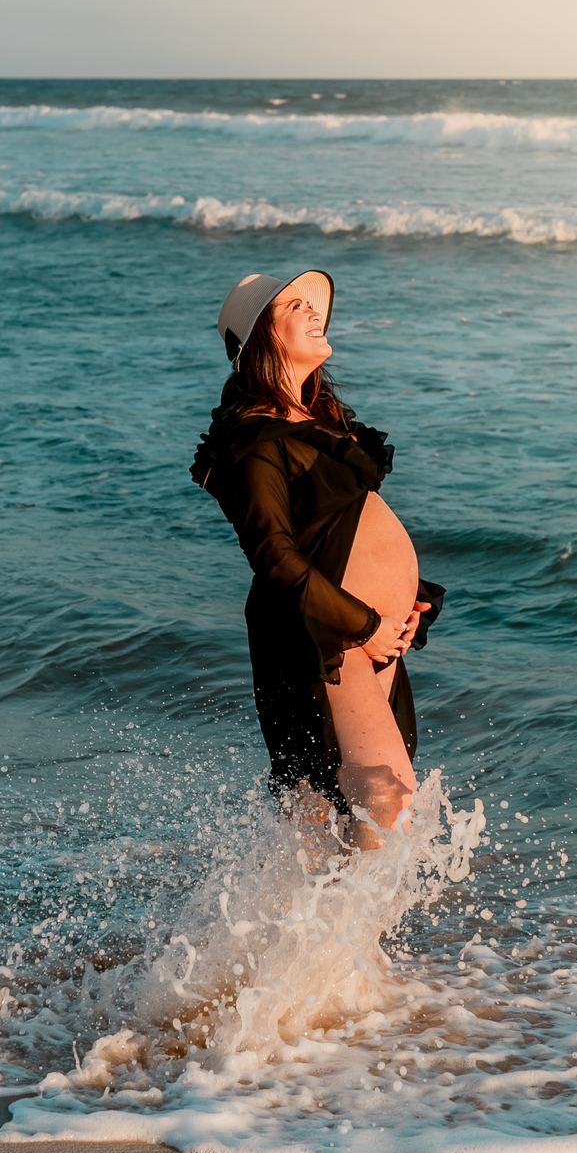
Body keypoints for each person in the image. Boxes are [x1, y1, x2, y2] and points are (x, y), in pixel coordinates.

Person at [190, 268, 444, 849]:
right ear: (261, 340)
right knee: (386, 799)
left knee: (335, 814)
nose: (315, 313)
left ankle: (322, 938)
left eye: (316, 304)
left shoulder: (321, 426)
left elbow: (338, 533)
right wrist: (364, 624)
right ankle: (336, 939)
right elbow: (274, 555)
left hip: (367, 634)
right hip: (326, 636)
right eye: (295, 306)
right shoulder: (254, 440)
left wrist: (409, 601)